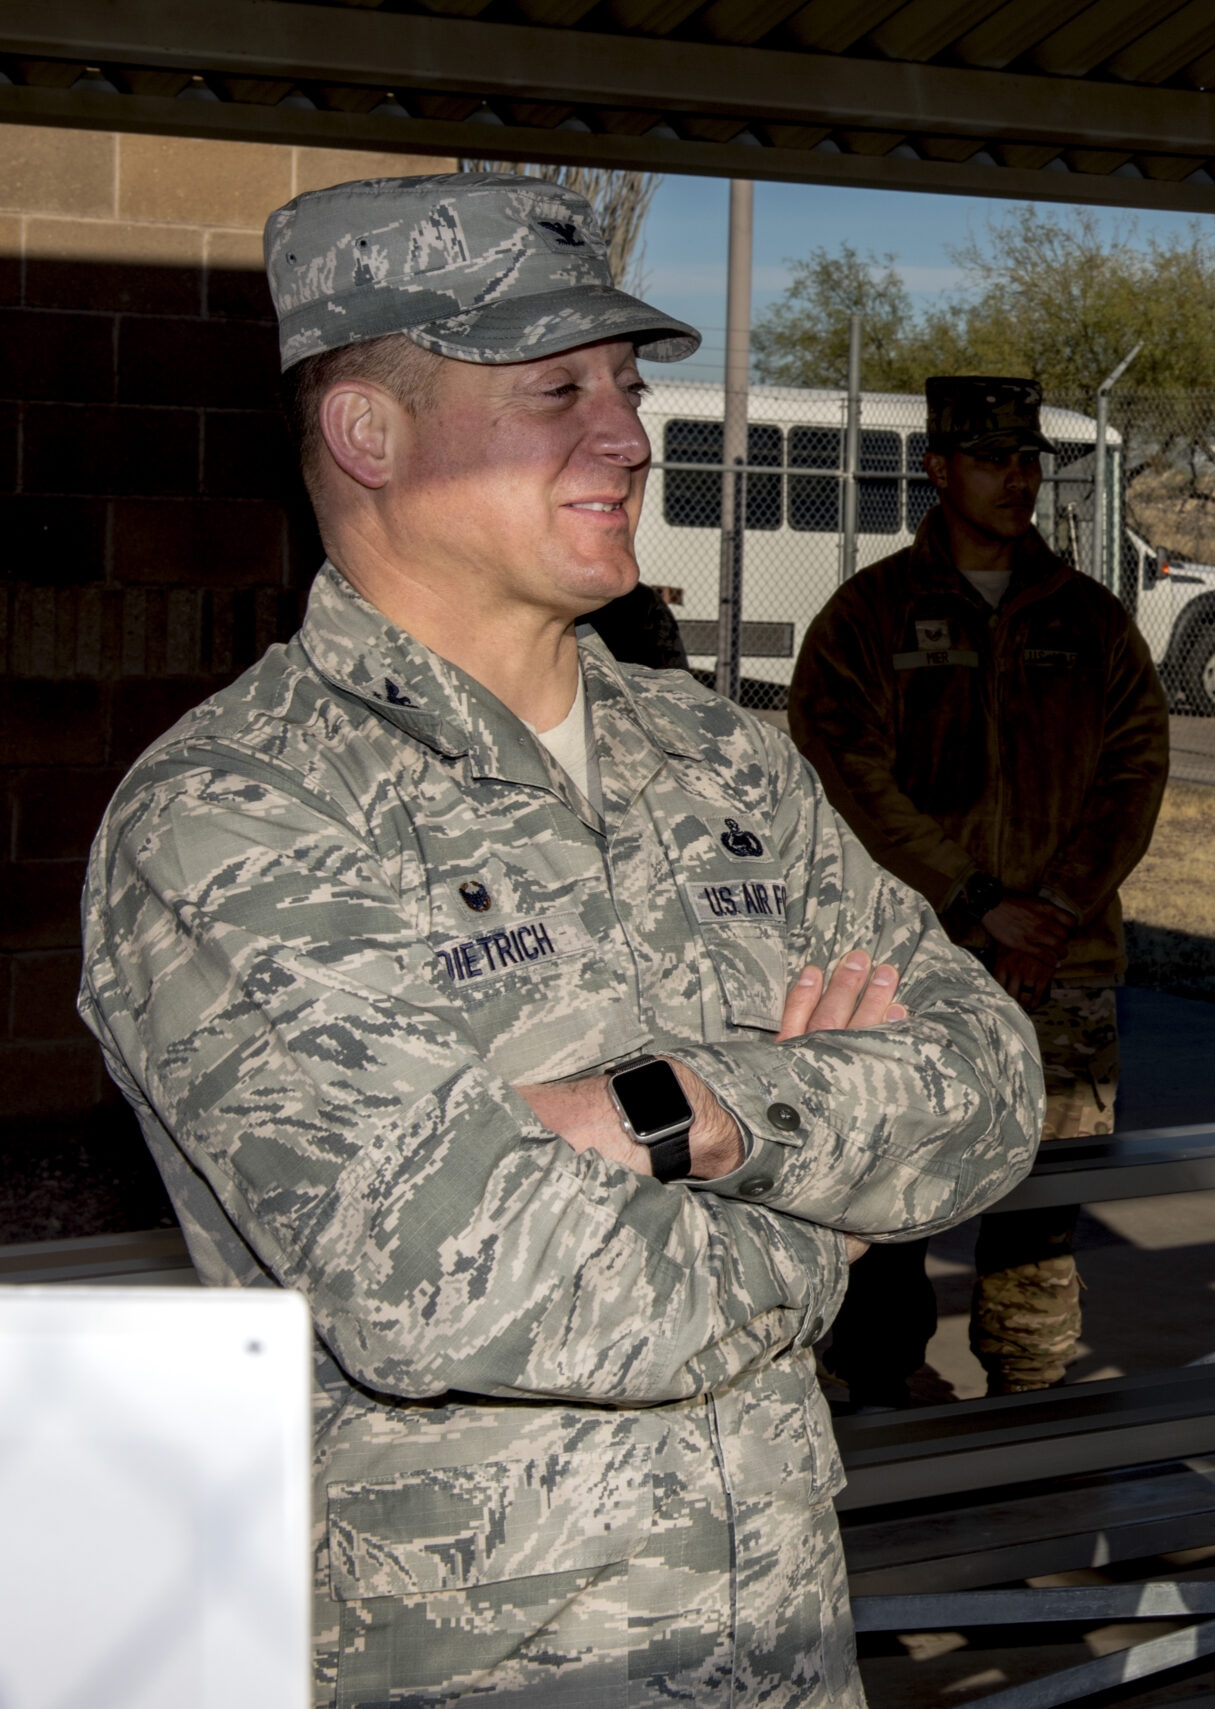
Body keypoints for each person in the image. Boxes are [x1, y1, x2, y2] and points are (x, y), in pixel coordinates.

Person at [76, 173, 1046, 1705]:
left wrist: (704, 1118)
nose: (628, 435)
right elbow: (438, 1281)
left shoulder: (716, 757)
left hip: (785, 1640)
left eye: (627, 383)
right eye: (554, 391)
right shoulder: (233, 812)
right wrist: (836, 1213)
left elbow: (993, 1079)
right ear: (367, 434)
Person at [790, 376, 1170, 1404]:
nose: (1020, 478)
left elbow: (1132, 773)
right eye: (996, 458)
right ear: (938, 469)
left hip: (1064, 970)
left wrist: (1052, 911)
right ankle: (882, 1373)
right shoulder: (869, 617)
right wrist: (969, 902)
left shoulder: (1090, 622)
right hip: (909, 967)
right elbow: (844, 773)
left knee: (1043, 1209)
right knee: (890, 1179)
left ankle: (1031, 1391)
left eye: (1031, 460)